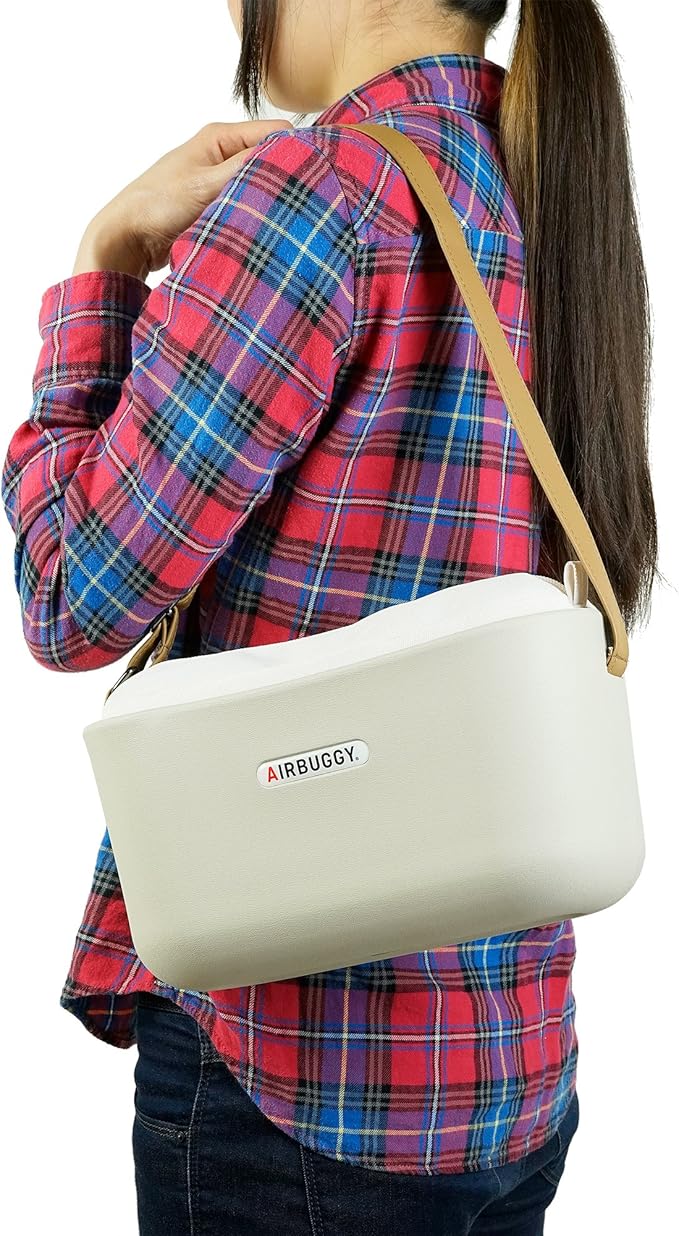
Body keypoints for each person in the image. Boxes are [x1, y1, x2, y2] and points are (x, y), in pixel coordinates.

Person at [1, 0, 657, 1232]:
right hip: (507, 1065)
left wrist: (104, 261)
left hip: (301, 1078)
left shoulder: (323, 194)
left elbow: (70, 594)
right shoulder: (546, 182)